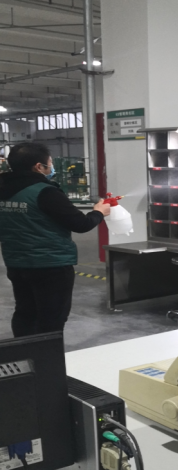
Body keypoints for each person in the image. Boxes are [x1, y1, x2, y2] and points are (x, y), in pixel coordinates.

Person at [0, 142, 111, 337]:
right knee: (52, 318)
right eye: (49, 164)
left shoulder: (3, 189)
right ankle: (47, 355)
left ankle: (24, 352)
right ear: (38, 166)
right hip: (50, 265)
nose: (51, 168)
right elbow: (81, 224)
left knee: (25, 313)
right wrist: (99, 212)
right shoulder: (45, 192)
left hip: (16, 263)